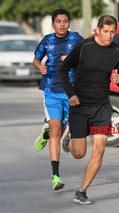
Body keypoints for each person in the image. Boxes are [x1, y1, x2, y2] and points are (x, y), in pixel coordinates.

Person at [58, 15, 119, 204]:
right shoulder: (84, 47)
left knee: (99, 148)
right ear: (98, 30)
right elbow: (63, 70)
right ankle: (71, 136)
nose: (109, 36)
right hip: (80, 106)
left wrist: (118, 79)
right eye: (106, 31)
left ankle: (82, 191)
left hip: (101, 108)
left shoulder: (116, 52)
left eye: (113, 32)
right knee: (79, 153)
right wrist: (71, 94)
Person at [33, 8, 84, 190]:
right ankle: (55, 176)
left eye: (65, 21)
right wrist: (40, 67)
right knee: (56, 132)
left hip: (71, 93)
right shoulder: (48, 41)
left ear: (69, 23)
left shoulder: (76, 39)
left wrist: (72, 59)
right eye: (59, 21)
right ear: (53, 24)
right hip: (51, 90)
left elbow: (86, 57)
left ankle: (46, 132)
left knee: (61, 130)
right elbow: (36, 60)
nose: (62, 24)